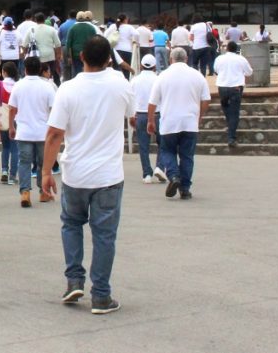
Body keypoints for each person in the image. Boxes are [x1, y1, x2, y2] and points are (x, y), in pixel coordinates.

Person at [41, 35, 134, 315]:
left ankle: (73, 281)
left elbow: (55, 133)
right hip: (108, 175)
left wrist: (46, 171)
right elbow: (131, 115)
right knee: (104, 236)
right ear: (109, 59)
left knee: (71, 225)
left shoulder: (67, 89)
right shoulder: (121, 84)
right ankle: (101, 296)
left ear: (80, 57)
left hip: (75, 173)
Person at [148, 48, 211, 200]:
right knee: (187, 156)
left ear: (171, 59)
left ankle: (174, 176)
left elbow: (152, 102)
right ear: (187, 58)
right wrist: (200, 116)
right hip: (190, 122)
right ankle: (185, 188)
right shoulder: (197, 75)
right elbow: (206, 99)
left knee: (167, 151)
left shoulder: (162, 76)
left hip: (169, 122)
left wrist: (150, 121)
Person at [9, 57, 57, 207]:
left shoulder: (18, 86)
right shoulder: (47, 86)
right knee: (43, 163)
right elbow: (53, 109)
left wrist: (11, 126)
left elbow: (12, 108)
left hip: (24, 131)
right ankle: (43, 192)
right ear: (39, 69)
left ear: (25, 69)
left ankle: (25, 192)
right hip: (43, 132)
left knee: (24, 162)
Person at [130, 55, 167, 184]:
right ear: (154, 66)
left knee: (143, 146)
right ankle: (160, 167)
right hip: (157, 114)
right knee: (163, 143)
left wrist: (131, 115)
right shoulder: (158, 79)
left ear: (141, 65)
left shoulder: (134, 80)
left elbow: (131, 99)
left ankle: (147, 174)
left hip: (140, 114)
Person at [214, 42, 254, 148]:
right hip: (236, 87)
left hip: (222, 87)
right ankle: (231, 137)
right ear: (236, 49)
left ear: (227, 48)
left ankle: (230, 126)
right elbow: (249, 72)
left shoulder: (219, 59)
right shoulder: (241, 59)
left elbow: (215, 70)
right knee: (234, 112)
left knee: (226, 108)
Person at [0, 62, 19, 185]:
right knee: (15, 148)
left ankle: (4, 171)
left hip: (2, 118)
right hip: (15, 118)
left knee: (5, 147)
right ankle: (12, 176)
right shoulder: (18, 86)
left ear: (4, 72)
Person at [29, 12, 63, 85]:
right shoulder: (51, 29)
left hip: (37, 57)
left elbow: (24, 45)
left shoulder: (31, 30)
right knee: (51, 74)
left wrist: (26, 54)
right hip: (50, 56)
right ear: (44, 20)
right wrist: (58, 55)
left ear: (35, 20)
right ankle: (55, 87)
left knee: (38, 75)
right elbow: (58, 44)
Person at [63, 12, 98, 80]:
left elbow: (68, 44)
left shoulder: (72, 28)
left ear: (77, 18)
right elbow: (95, 42)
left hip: (76, 55)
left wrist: (69, 57)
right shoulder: (91, 28)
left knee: (76, 72)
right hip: (88, 54)